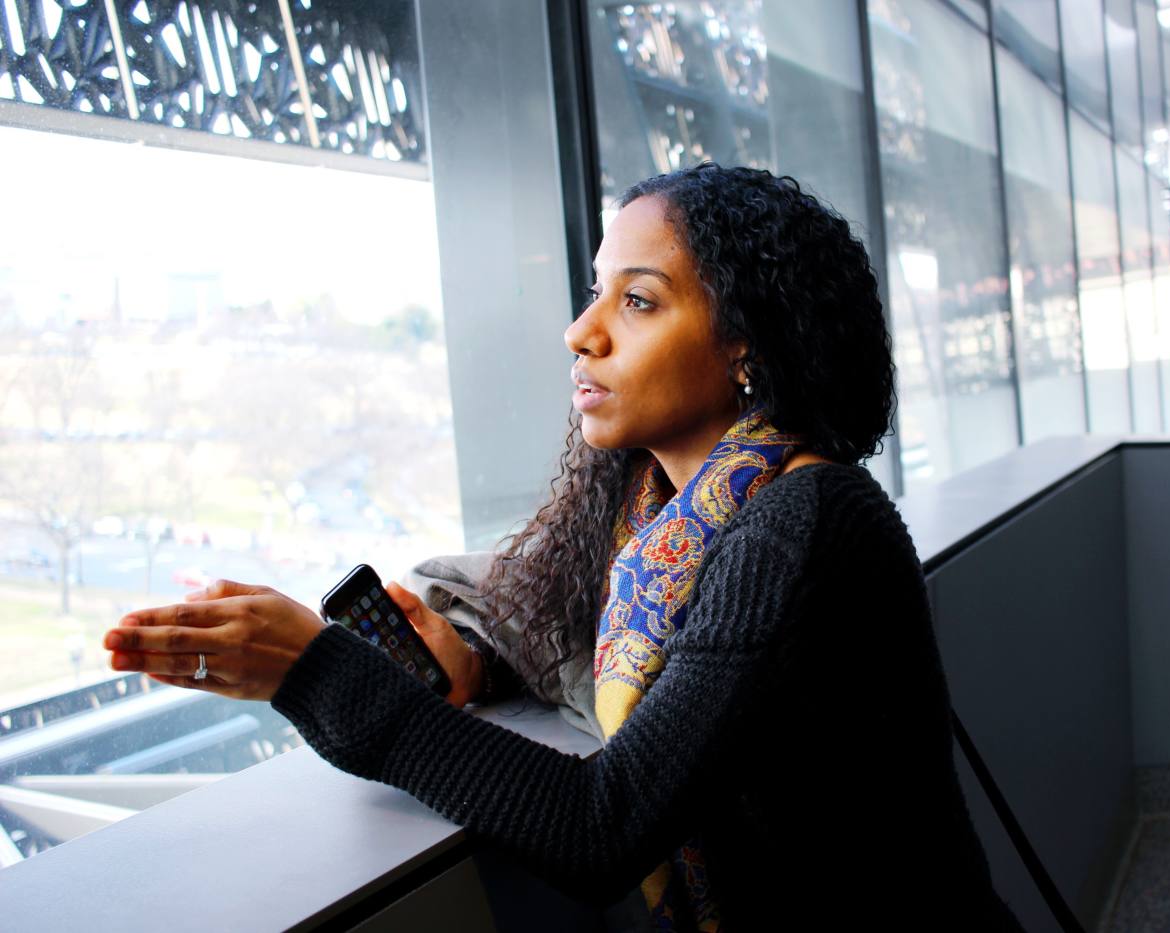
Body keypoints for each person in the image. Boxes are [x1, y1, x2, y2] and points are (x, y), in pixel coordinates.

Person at [103, 162, 1023, 931]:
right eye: (596, 292)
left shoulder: (800, 524)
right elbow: (611, 658)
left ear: (745, 341)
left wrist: (313, 672)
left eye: (639, 301)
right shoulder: (657, 521)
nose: (582, 333)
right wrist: (474, 658)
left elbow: (604, 823)